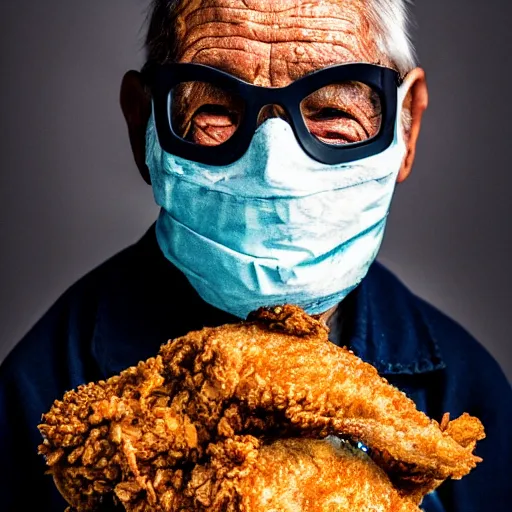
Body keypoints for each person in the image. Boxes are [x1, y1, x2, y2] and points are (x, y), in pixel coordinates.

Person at [0, 0, 510, 510]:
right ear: (144, 127)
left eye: (333, 110)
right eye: (216, 109)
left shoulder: (467, 396)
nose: (273, 165)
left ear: (407, 128)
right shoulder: (37, 396)